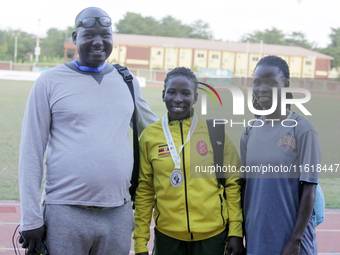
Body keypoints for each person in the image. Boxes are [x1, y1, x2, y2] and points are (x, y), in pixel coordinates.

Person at [18, 7, 158, 255]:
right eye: (89, 35)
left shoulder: (126, 80)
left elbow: (154, 130)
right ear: (75, 37)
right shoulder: (49, 82)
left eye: (105, 35)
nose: (98, 42)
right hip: (65, 212)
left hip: (118, 213)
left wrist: (201, 132)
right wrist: (30, 219)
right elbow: (31, 152)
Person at [133, 67, 245, 255]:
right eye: (171, 92)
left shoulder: (215, 133)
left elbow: (233, 185)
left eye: (185, 93)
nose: (178, 99)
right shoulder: (149, 136)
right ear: (163, 95)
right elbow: (145, 191)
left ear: (195, 98)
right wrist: (140, 244)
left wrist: (235, 232)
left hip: (212, 238)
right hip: (167, 238)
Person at [240, 55, 320, 254]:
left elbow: (309, 190)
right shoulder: (249, 132)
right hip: (256, 239)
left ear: (285, 85)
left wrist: (295, 241)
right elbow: (243, 188)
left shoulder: (302, 129)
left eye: (270, 82)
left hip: (290, 243)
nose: (262, 88)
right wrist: (239, 234)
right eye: (257, 83)